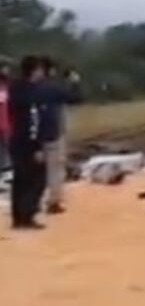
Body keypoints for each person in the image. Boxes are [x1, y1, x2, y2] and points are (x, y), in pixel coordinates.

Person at [8, 56, 48, 229]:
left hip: (16, 139)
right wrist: (37, 146)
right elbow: (33, 121)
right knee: (36, 179)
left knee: (20, 180)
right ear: (34, 70)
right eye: (40, 69)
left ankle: (18, 217)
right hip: (27, 142)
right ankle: (27, 215)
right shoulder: (31, 94)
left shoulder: (15, 89)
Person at [38, 58, 81, 214]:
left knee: (36, 169)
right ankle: (53, 201)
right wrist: (74, 83)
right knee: (55, 168)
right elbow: (74, 98)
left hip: (33, 133)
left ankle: (34, 201)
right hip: (53, 132)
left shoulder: (31, 87)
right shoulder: (53, 87)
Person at [0, 60, 11, 173]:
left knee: (6, 149)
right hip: (3, 123)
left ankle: (5, 172)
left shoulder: (8, 86)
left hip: (6, 124)